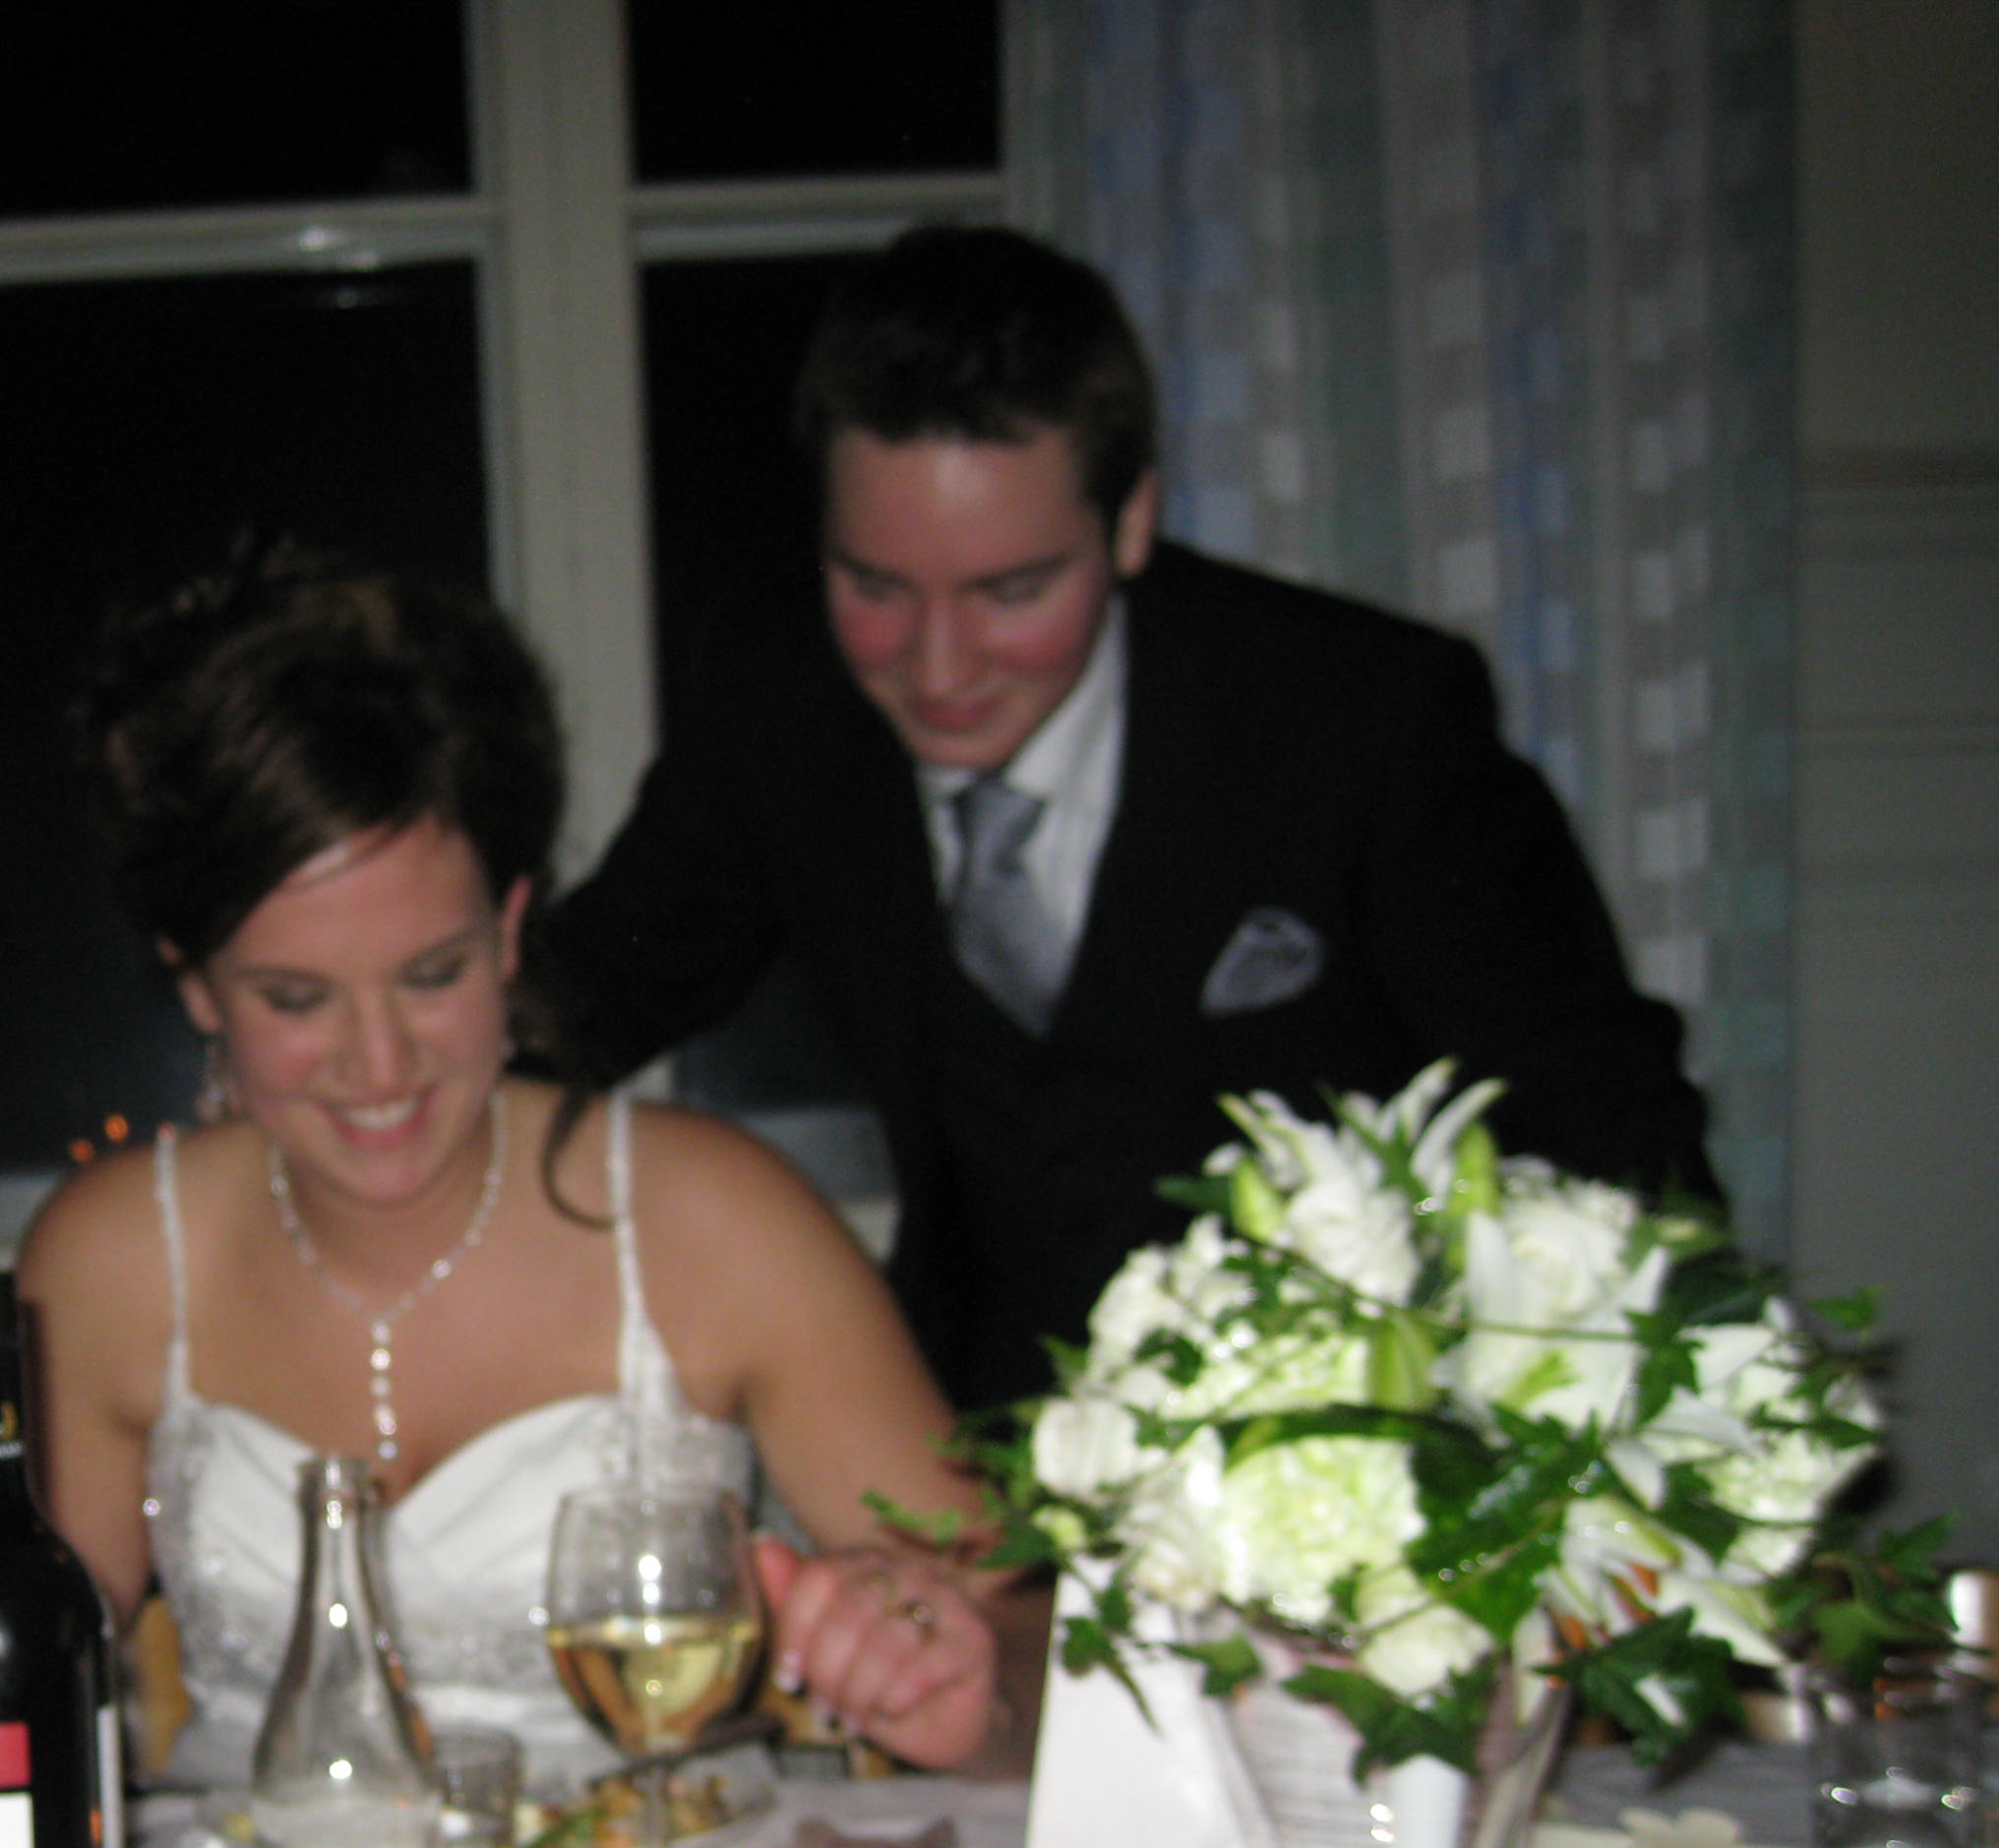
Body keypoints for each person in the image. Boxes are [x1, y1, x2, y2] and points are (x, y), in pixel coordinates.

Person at [546, 223, 1719, 1417]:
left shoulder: (1364, 720)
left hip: (1350, 1445)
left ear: (1131, 521)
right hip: (978, 1439)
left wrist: (1665, 1430)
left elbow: (1604, 1122)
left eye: (1011, 591)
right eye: (874, 586)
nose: (937, 666)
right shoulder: (778, 706)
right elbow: (589, 994)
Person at [18, 551, 1038, 1793]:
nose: (379, 1064)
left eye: (433, 974)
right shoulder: (108, 1260)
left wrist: (963, 1684)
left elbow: (1030, 1644)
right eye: (295, 998)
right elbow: (17, 1697)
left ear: (508, 931)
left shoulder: (718, 1220)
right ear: (195, 984)